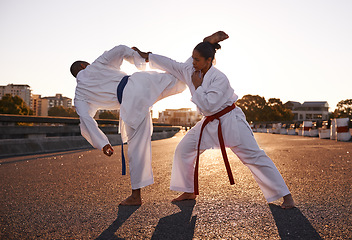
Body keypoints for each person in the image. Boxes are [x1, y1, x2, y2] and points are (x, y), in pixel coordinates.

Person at [134, 31, 295, 209]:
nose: (192, 62)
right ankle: (189, 190)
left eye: (197, 59)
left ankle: (286, 197)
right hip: (208, 123)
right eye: (192, 58)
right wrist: (147, 56)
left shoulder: (219, 78)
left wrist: (197, 86)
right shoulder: (190, 70)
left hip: (230, 121)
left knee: (255, 157)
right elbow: (170, 64)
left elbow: (209, 105)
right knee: (184, 149)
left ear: (209, 61)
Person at [70, 45, 186, 205]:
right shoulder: (96, 65)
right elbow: (120, 49)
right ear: (84, 66)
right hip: (140, 83)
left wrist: (102, 143)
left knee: (137, 149)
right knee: (180, 77)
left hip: (131, 106)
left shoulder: (80, 94)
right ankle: (204, 60)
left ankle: (136, 196)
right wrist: (137, 58)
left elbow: (85, 118)